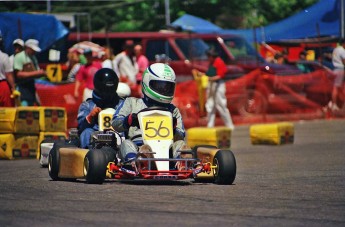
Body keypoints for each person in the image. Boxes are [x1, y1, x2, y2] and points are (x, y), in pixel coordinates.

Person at [111, 63, 191, 170]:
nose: (164, 90)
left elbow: (181, 136)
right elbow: (115, 123)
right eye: (160, 86)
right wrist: (129, 120)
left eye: (167, 87)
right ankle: (141, 162)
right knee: (126, 143)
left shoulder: (173, 110)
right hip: (138, 147)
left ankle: (182, 163)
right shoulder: (132, 103)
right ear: (147, 82)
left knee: (181, 145)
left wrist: (174, 129)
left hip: (167, 151)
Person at [77, 68, 122, 148]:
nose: (108, 92)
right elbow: (80, 126)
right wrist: (90, 117)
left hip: (119, 135)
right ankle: (89, 156)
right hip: (96, 137)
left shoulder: (121, 104)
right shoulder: (87, 105)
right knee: (86, 132)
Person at [204, 48, 235, 130]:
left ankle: (229, 125)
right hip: (211, 85)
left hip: (218, 85)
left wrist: (210, 78)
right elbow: (209, 74)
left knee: (221, 105)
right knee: (210, 105)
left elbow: (220, 75)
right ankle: (210, 126)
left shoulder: (219, 61)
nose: (208, 58)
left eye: (208, 56)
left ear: (211, 56)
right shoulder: (212, 63)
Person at [13, 39, 47, 106]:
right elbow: (18, 74)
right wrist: (36, 73)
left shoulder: (33, 58)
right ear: (27, 48)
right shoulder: (19, 57)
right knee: (24, 107)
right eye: (32, 50)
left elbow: (36, 70)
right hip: (21, 87)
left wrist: (41, 73)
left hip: (31, 87)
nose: (34, 52)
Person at [0, 31, 16, 107]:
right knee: (6, 112)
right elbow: (9, 75)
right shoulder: (4, 56)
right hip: (2, 86)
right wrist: (13, 88)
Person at [329, 39, 345, 110]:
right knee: (338, 88)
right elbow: (344, 60)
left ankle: (333, 103)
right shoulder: (342, 50)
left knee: (335, 88)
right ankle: (334, 104)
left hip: (335, 69)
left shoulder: (335, 50)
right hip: (340, 69)